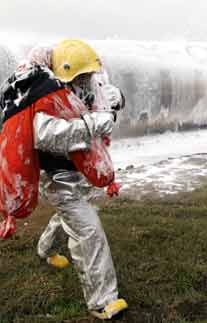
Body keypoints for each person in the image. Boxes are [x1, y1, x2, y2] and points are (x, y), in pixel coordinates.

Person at [0, 39, 127, 320]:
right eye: (81, 76)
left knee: (67, 217)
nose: (86, 81)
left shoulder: (86, 86)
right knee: (87, 230)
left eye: (88, 76)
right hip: (55, 175)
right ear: (63, 73)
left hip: (77, 170)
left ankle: (44, 249)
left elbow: (106, 96)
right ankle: (103, 301)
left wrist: (114, 100)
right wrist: (95, 124)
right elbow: (46, 135)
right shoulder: (43, 96)